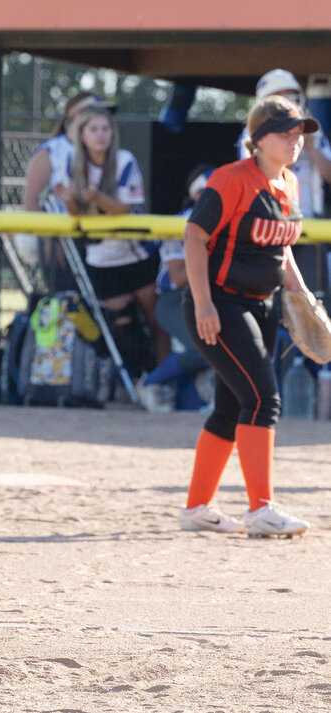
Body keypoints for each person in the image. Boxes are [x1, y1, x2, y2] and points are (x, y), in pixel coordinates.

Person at [180, 95, 315, 537]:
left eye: (298, 134)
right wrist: (203, 304)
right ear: (258, 139)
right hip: (220, 303)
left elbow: (282, 247)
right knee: (262, 399)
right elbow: (194, 237)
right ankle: (261, 509)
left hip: (263, 305)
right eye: (284, 133)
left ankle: (197, 508)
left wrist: (302, 295)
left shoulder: (289, 184)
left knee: (231, 406)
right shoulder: (232, 179)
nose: (294, 141)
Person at [54, 106, 169, 380]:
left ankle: (164, 382)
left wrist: (95, 199)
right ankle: (134, 382)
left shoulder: (124, 160)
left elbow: (126, 209)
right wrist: (69, 199)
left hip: (136, 255)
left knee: (157, 322)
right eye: (93, 129)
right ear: (81, 135)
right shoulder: (73, 162)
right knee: (121, 326)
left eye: (105, 129)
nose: (100, 135)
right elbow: (75, 212)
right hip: (101, 259)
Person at [237, 69, 331, 293]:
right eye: (281, 97)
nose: (288, 103)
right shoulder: (252, 133)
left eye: (292, 97)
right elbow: (258, 177)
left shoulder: (311, 133)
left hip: (307, 226)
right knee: (271, 298)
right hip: (267, 227)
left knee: (311, 298)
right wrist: (284, 142)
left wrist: (309, 146)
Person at [137, 164, 216, 413]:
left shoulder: (232, 220)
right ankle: (150, 383)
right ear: (197, 195)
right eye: (209, 192)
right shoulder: (182, 221)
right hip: (175, 299)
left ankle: (215, 397)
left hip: (211, 298)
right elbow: (179, 277)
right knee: (204, 349)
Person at [17, 92, 113, 289]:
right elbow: (31, 200)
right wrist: (48, 240)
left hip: (97, 239)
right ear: (75, 116)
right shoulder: (51, 151)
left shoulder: (104, 150)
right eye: (91, 111)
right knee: (68, 300)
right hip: (62, 240)